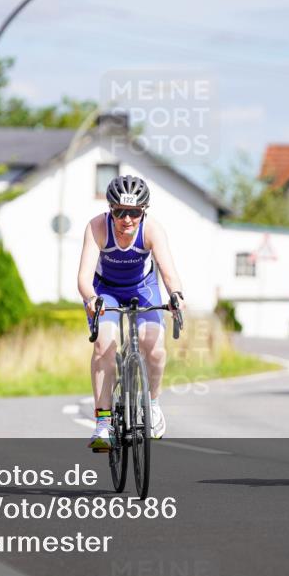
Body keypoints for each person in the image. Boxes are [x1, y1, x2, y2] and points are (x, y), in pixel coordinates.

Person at [77, 175, 186, 451]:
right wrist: (90, 298)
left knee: (155, 348)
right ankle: (103, 422)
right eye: (120, 212)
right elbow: (84, 277)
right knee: (104, 346)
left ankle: (152, 404)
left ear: (143, 211)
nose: (127, 220)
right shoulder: (97, 227)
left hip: (143, 289)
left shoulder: (152, 230)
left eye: (135, 212)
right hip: (106, 291)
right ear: (111, 209)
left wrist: (175, 295)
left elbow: (168, 270)